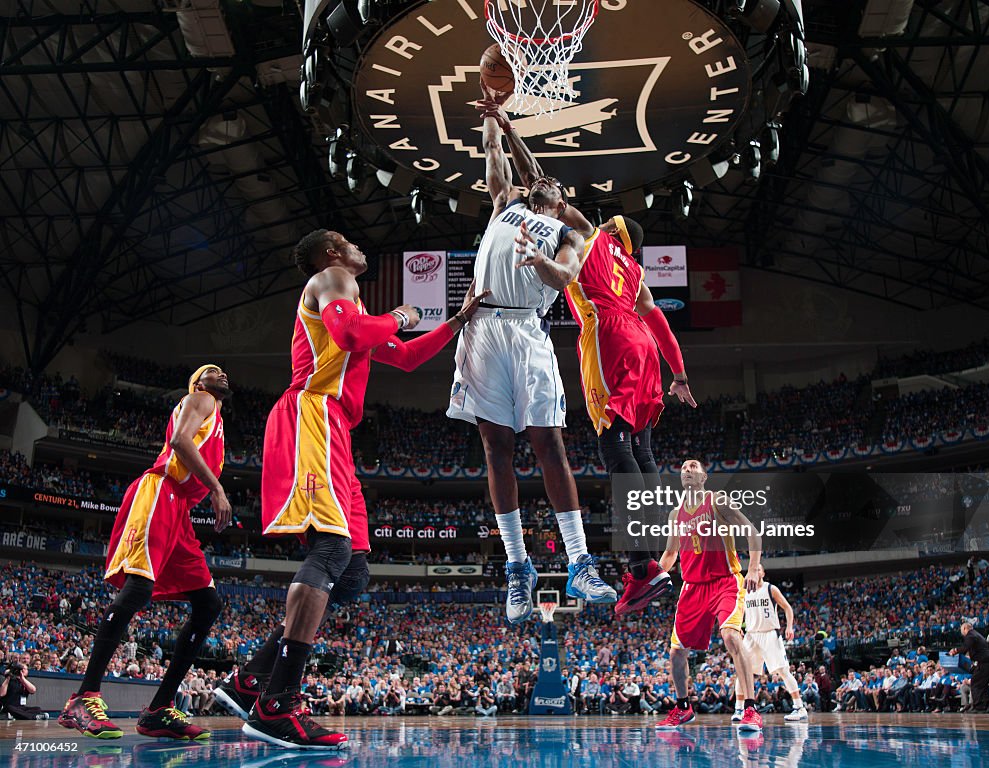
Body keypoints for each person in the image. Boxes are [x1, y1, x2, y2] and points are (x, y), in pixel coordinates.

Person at [227, 230, 488, 748]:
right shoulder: (331, 280)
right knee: (331, 547)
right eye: (347, 241)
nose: (358, 248)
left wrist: (455, 321)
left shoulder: (352, 301)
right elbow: (351, 337)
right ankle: (277, 705)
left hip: (337, 430)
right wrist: (402, 315)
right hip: (314, 414)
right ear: (331, 253)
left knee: (353, 572)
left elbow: (406, 358)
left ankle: (251, 678)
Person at [479, 98, 696, 617]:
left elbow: (550, 207)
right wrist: (679, 372)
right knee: (641, 451)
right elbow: (659, 320)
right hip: (643, 346)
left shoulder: (586, 235)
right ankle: (656, 559)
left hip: (609, 338)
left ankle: (641, 569)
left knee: (612, 446)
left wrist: (504, 131)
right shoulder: (634, 270)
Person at [445, 88, 616, 625]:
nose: (538, 182)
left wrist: (539, 259)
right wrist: (495, 121)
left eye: (551, 185)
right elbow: (496, 157)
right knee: (495, 447)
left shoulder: (571, 231)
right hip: (481, 327)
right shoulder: (504, 203)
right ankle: (518, 569)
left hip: (526, 331)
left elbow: (563, 277)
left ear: (561, 200)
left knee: (548, 444)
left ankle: (579, 561)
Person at [58, 365, 232, 740]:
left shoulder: (217, 422)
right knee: (138, 588)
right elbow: (180, 443)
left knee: (208, 604)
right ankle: (83, 697)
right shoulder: (200, 399)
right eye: (214, 371)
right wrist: (217, 489)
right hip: (158, 491)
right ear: (199, 383)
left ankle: (159, 710)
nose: (223, 374)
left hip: (179, 509)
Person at [654, 459, 763, 732]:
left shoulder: (718, 502)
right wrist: (651, 577)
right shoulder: (675, 514)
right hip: (692, 586)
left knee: (730, 636)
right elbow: (670, 555)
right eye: (683, 468)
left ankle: (750, 708)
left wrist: (752, 568)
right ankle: (683, 708)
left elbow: (752, 531)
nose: (688, 470)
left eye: (693, 467)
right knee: (676, 653)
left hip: (725, 581)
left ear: (704, 477)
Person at [734, 563, 807, 722]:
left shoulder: (770, 589)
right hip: (751, 635)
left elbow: (787, 608)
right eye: (753, 570)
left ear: (763, 573)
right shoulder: (744, 591)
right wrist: (738, 625)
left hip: (769, 634)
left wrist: (789, 627)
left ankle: (799, 707)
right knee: (742, 672)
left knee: (783, 671)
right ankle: (739, 709)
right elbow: (739, 610)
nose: (755, 572)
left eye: (758, 569)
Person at [949, 621, 989, 712]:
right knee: (981, 684)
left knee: (975, 682)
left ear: (964, 628)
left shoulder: (970, 635)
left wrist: (955, 650)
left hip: (986, 663)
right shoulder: (977, 635)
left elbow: (965, 647)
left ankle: (979, 706)